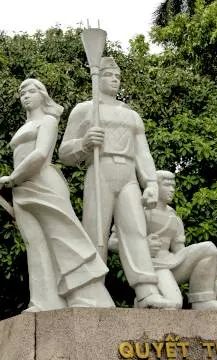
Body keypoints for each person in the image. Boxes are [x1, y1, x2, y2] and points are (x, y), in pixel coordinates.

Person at [58, 57, 174, 309]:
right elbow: (64, 153)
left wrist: (151, 183)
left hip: (128, 174)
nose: (115, 80)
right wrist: (84, 143)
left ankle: (145, 291)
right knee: (95, 232)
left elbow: (143, 152)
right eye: (110, 75)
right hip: (99, 170)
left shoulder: (131, 115)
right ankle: (90, 288)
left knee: (136, 230)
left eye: (118, 76)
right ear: (98, 78)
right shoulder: (84, 110)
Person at [0, 78, 114, 312]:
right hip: (21, 189)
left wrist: (14, 177)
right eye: (22, 93)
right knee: (34, 244)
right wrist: (16, 181)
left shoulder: (48, 121)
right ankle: (43, 301)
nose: (25, 96)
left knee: (63, 239)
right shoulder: (24, 127)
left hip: (43, 184)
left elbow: (40, 155)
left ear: (43, 95)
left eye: (31, 91)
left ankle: (88, 295)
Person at [109, 171, 217, 310]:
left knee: (208, 248)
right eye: (167, 185)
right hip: (153, 267)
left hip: (173, 263)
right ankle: (144, 299)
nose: (172, 189)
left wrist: (213, 270)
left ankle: (202, 300)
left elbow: (180, 252)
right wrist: (143, 247)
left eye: (173, 186)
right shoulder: (138, 212)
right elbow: (112, 243)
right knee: (174, 304)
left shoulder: (174, 218)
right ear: (155, 186)